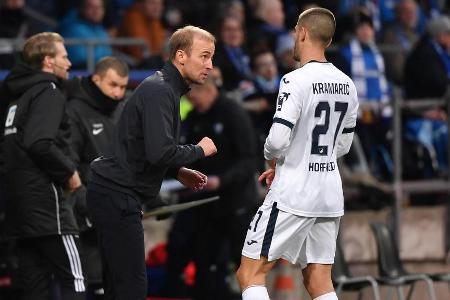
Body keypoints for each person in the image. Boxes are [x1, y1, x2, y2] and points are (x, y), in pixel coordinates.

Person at [86, 25, 218, 299]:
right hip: (117, 195)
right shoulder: (160, 91)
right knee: (131, 289)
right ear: (181, 56)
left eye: (211, 57)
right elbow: (159, 151)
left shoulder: (163, 88)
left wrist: (177, 169)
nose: (210, 65)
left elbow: (145, 148)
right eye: (204, 56)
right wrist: (199, 150)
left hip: (113, 193)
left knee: (118, 287)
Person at [236, 7, 359, 300]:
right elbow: (343, 146)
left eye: (294, 32)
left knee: (250, 272)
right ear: (327, 41)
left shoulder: (294, 80)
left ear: (302, 32)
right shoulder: (348, 85)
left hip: (294, 190)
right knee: (319, 280)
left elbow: (277, 140)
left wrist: (274, 159)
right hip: (329, 192)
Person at [0, 32, 85, 300]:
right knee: (75, 282)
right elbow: (39, 143)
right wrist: (70, 173)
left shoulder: (16, 97)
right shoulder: (47, 91)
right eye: (64, 57)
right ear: (49, 61)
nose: (69, 63)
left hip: (19, 207)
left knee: (34, 287)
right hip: (47, 205)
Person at [163, 78, 258, 299]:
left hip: (236, 204)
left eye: (194, 97)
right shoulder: (195, 117)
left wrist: (222, 180)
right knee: (205, 261)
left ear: (207, 90)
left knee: (244, 263)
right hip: (206, 205)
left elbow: (249, 160)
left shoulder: (233, 113)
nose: (192, 102)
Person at [66, 56, 129, 298]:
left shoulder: (122, 109)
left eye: (123, 87)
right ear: (96, 79)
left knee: (121, 280)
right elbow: (69, 164)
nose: (118, 93)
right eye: (112, 85)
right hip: (88, 214)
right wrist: (85, 203)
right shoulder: (75, 110)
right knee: (94, 282)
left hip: (121, 210)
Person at [59, 0, 112, 68]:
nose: (97, 11)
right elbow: (79, 59)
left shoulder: (100, 29)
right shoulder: (72, 29)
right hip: (80, 72)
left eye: (100, 7)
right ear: (81, 8)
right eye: (92, 7)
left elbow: (108, 52)